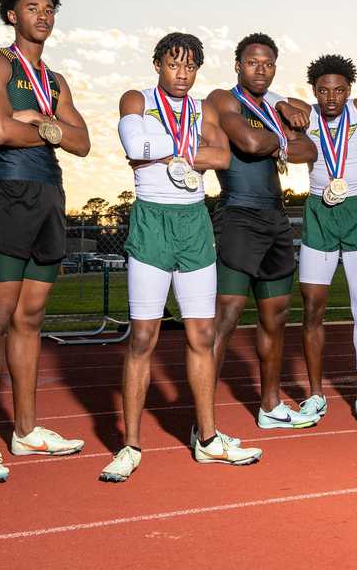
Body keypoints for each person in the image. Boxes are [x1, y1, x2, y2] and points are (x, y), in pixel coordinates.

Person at [101, 32, 262, 483]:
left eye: (190, 67)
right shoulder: (137, 97)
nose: (182, 74)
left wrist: (169, 149)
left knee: (202, 334)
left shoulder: (203, 109)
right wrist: (189, 151)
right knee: (143, 339)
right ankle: (130, 444)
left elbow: (225, 157)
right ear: (158, 64)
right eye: (174, 65)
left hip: (194, 222)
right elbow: (133, 147)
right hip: (152, 220)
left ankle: (208, 439)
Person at [0, 0, 90, 484]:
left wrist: (39, 122)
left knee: (32, 316)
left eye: (49, 8)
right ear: (11, 15)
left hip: (50, 196)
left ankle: (26, 430)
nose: (43, 15)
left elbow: (81, 143)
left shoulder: (55, 80)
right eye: (32, 7)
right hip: (10, 192)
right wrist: (50, 127)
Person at [206, 34, 319, 429]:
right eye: (253, 62)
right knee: (227, 317)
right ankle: (203, 420)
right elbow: (249, 142)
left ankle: (270, 406)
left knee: (276, 316)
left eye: (268, 64)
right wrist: (286, 137)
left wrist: (283, 137)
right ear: (238, 64)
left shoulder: (275, 106)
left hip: (275, 218)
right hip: (238, 215)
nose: (261, 70)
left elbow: (311, 152)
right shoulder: (223, 98)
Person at [284, 54, 357, 424]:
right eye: (324, 90)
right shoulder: (304, 114)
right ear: (313, 91)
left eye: (340, 90)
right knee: (313, 309)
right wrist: (283, 103)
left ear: (350, 91)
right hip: (318, 211)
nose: (332, 97)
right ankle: (315, 394)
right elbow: (273, 100)